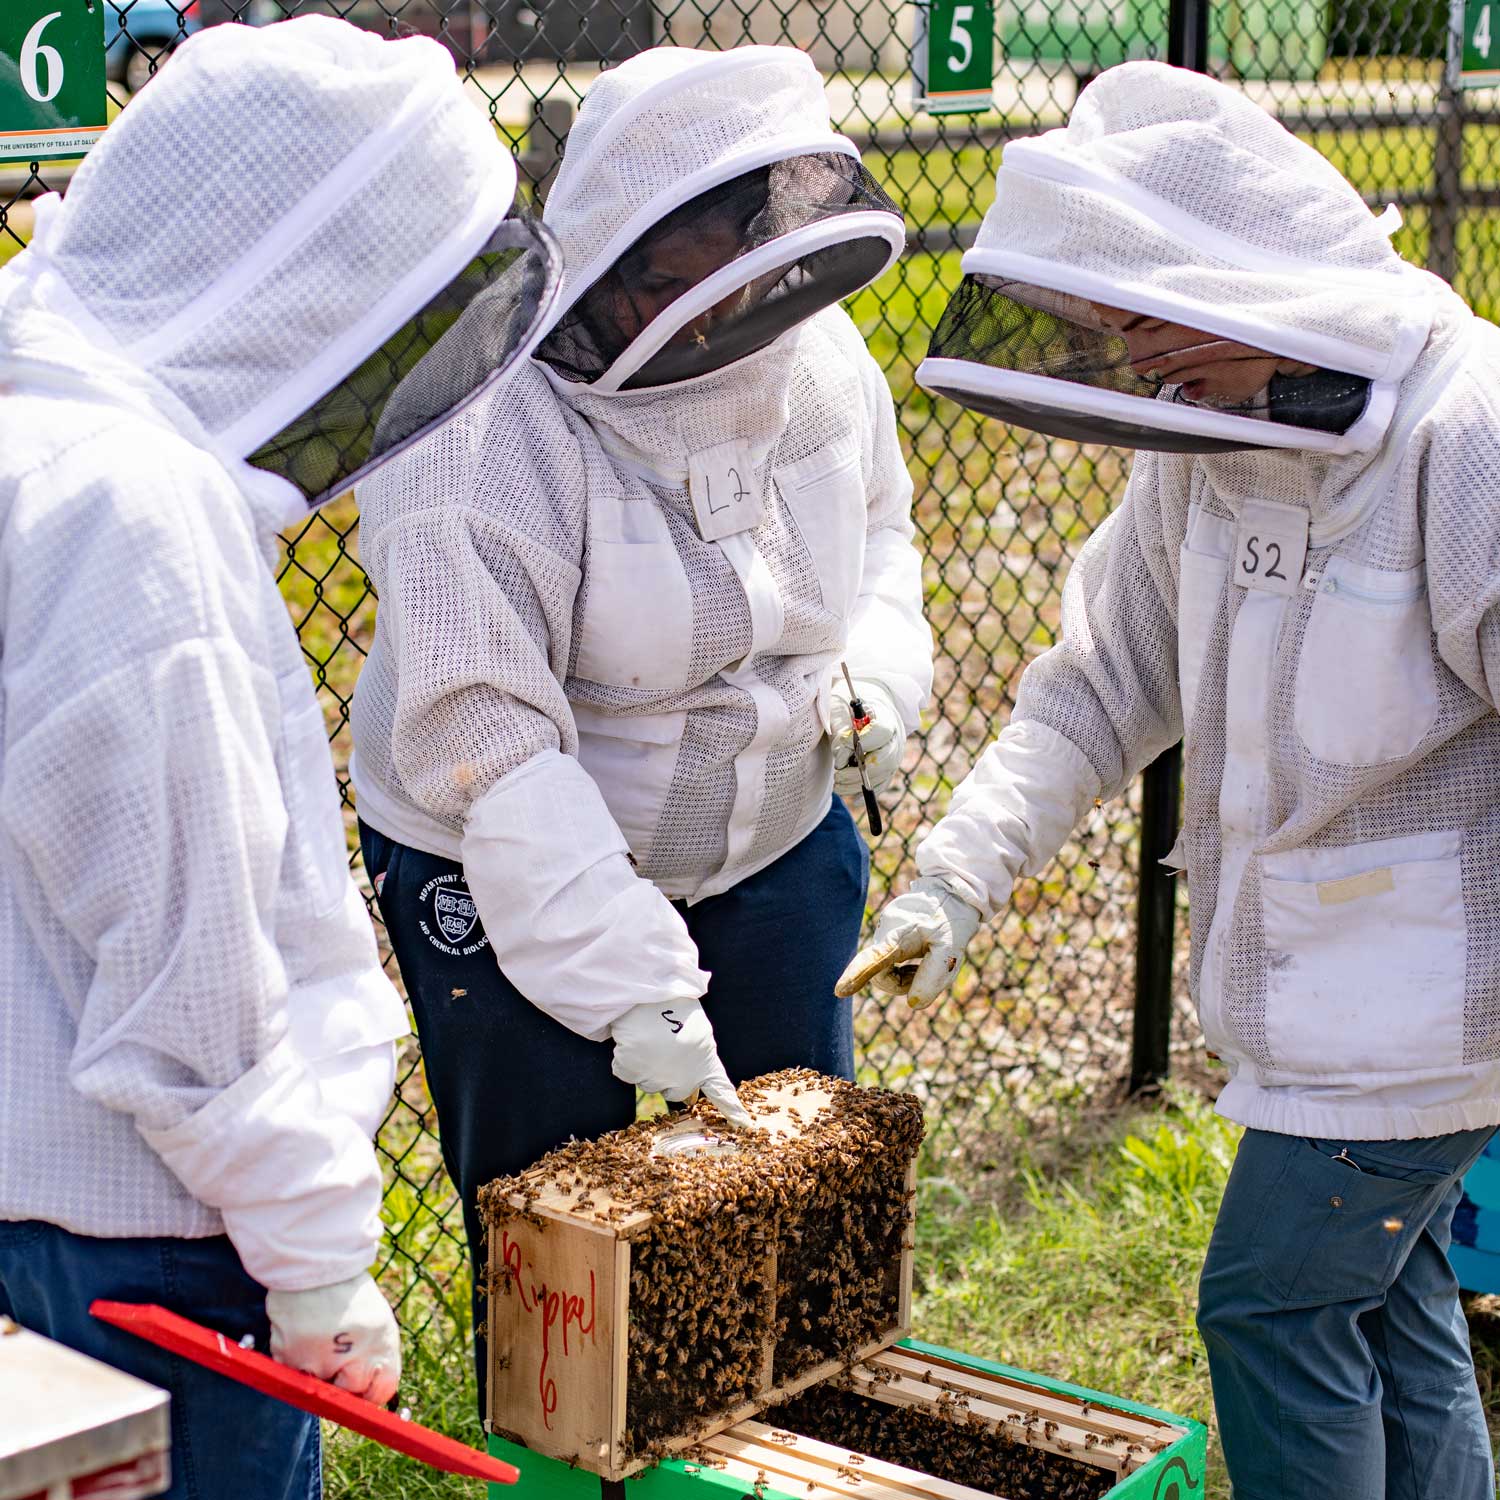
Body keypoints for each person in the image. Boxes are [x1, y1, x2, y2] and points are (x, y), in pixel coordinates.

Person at [841, 61, 1500, 1500]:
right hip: (1311, 1007)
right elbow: (1096, 688)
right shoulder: (1207, 448)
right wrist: (951, 880)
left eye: (1145, 315)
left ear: (1242, 273)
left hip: (1431, 1020)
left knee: (1272, 1305)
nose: (1128, 355)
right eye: (1105, 317)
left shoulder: (1466, 439)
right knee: (1386, 1310)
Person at [0, 17, 560, 1498]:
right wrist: (314, 1259)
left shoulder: (35, 432)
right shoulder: (131, 518)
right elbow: (189, 974)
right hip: (160, 1240)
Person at [348, 43, 933, 1401]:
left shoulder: (819, 356)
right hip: (509, 866)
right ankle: (571, 1470)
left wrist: (879, 674)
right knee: (567, 1240)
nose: (720, 317)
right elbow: (493, 753)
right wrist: (634, 989)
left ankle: (782, 1457)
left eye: (742, 267)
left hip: (776, 837)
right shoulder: (481, 437)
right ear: (606, 266)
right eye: (676, 283)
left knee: (797, 1203)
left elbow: (887, 539)